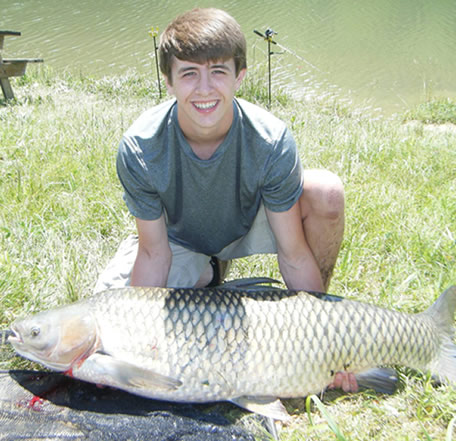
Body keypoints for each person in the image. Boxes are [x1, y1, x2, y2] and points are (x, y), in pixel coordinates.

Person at [94, 7, 356, 393]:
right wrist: (132, 341)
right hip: (180, 239)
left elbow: (294, 252)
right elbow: (153, 253)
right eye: (188, 74)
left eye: (218, 71)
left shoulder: (271, 139)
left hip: (249, 220)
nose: (204, 89)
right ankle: (210, 272)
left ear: (240, 77)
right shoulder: (139, 146)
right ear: (167, 81)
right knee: (105, 316)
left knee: (325, 191)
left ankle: (302, 316)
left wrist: (320, 338)